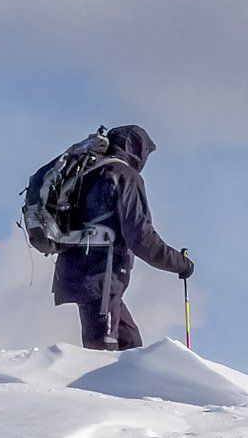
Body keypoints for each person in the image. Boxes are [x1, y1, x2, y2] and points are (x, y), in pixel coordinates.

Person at [50, 125, 193, 350]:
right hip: (100, 276)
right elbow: (141, 237)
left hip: (79, 272)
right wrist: (180, 264)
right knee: (103, 353)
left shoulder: (88, 173)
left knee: (130, 345)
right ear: (136, 148)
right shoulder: (124, 175)